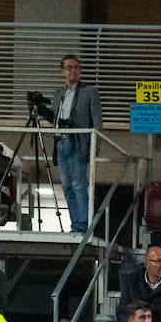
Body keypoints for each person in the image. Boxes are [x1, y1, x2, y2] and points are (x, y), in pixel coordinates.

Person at [37, 54, 102, 233]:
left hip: (77, 142)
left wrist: (94, 145)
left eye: (76, 67)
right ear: (62, 71)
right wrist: (41, 110)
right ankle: (75, 223)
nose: (73, 70)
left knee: (78, 184)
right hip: (60, 142)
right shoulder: (59, 93)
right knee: (66, 186)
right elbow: (57, 119)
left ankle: (82, 224)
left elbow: (97, 121)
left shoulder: (89, 92)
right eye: (69, 67)